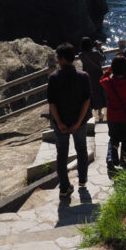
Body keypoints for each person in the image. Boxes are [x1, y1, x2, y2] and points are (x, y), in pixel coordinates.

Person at [46, 42, 91, 200]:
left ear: (63, 58)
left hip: (61, 123)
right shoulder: (84, 77)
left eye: (58, 57)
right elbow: (86, 101)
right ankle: (83, 180)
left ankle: (64, 187)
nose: (58, 60)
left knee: (62, 155)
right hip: (79, 122)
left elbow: (51, 103)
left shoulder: (53, 78)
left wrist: (59, 122)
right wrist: (79, 122)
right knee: (81, 150)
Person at [77, 36, 107, 121]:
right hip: (97, 76)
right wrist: (99, 49)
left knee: (89, 94)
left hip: (87, 77)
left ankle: (89, 114)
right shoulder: (96, 53)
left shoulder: (81, 55)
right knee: (99, 93)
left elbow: (86, 53)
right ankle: (100, 114)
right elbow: (103, 58)